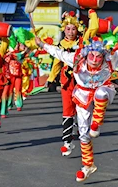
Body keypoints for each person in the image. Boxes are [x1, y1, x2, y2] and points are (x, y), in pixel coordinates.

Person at [35, 22, 118, 181]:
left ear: (103, 56)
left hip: (104, 89)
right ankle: (88, 165)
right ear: (86, 56)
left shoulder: (111, 59)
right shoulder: (75, 59)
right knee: (83, 134)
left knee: (100, 94)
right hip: (83, 95)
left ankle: (97, 123)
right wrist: (42, 44)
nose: (95, 60)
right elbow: (56, 52)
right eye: (92, 56)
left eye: (98, 56)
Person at [46, 11, 85, 156]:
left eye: (73, 29)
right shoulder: (60, 45)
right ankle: (67, 142)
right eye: (68, 29)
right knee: (67, 111)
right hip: (67, 82)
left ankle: (83, 138)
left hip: (82, 82)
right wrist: (50, 79)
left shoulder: (82, 43)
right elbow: (56, 64)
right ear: (64, 30)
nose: (70, 32)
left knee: (82, 111)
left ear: (77, 29)